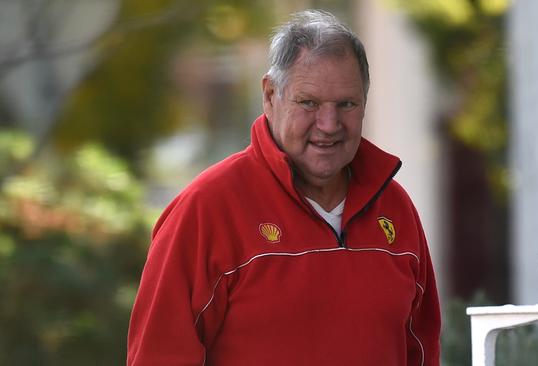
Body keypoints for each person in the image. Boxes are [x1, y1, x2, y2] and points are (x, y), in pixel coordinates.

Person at [127, 9, 440, 366]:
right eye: (308, 103)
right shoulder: (205, 209)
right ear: (270, 95)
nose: (329, 124)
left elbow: (423, 352)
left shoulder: (396, 209)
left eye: (346, 104)